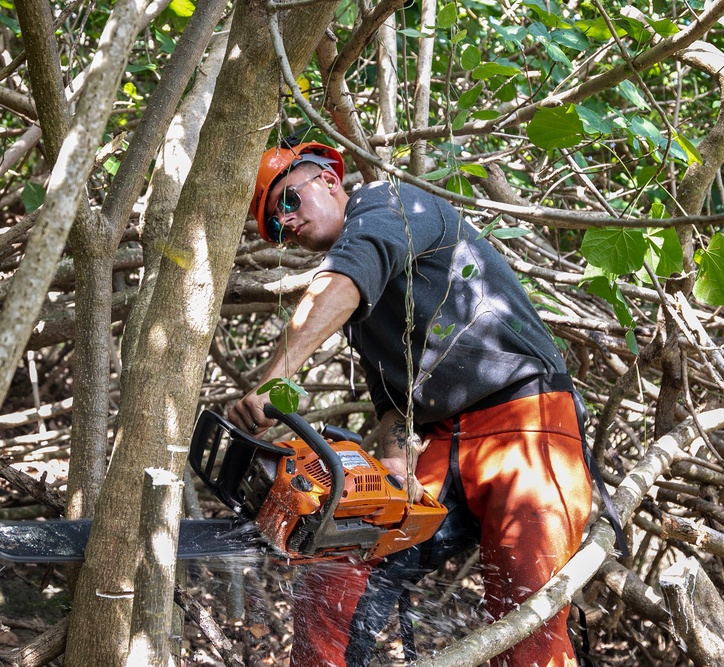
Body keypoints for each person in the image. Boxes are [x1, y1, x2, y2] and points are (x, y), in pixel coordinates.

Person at [227, 138, 594, 667]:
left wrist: (273, 379)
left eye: (288, 202)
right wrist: (397, 458)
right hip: (444, 438)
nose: (287, 224)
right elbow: (391, 396)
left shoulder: (390, 206)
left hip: (526, 421)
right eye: (275, 226)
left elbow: (352, 269)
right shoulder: (359, 303)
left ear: (329, 180)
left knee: (527, 618)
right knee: (340, 576)